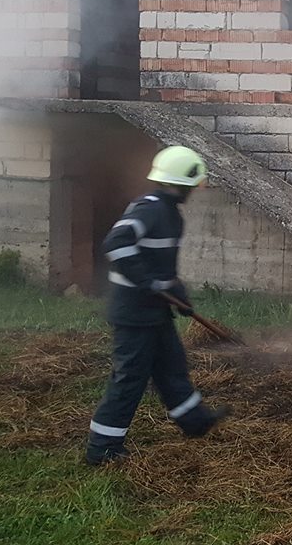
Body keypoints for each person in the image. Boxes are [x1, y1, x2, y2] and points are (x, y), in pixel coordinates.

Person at [86, 146, 230, 465]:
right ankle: (103, 447)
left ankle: (194, 421)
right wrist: (146, 282)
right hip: (133, 314)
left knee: (172, 365)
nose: (195, 190)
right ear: (182, 183)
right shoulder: (148, 209)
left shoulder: (171, 215)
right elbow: (116, 244)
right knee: (130, 379)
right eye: (193, 185)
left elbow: (164, 268)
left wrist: (181, 298)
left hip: (155, 311)